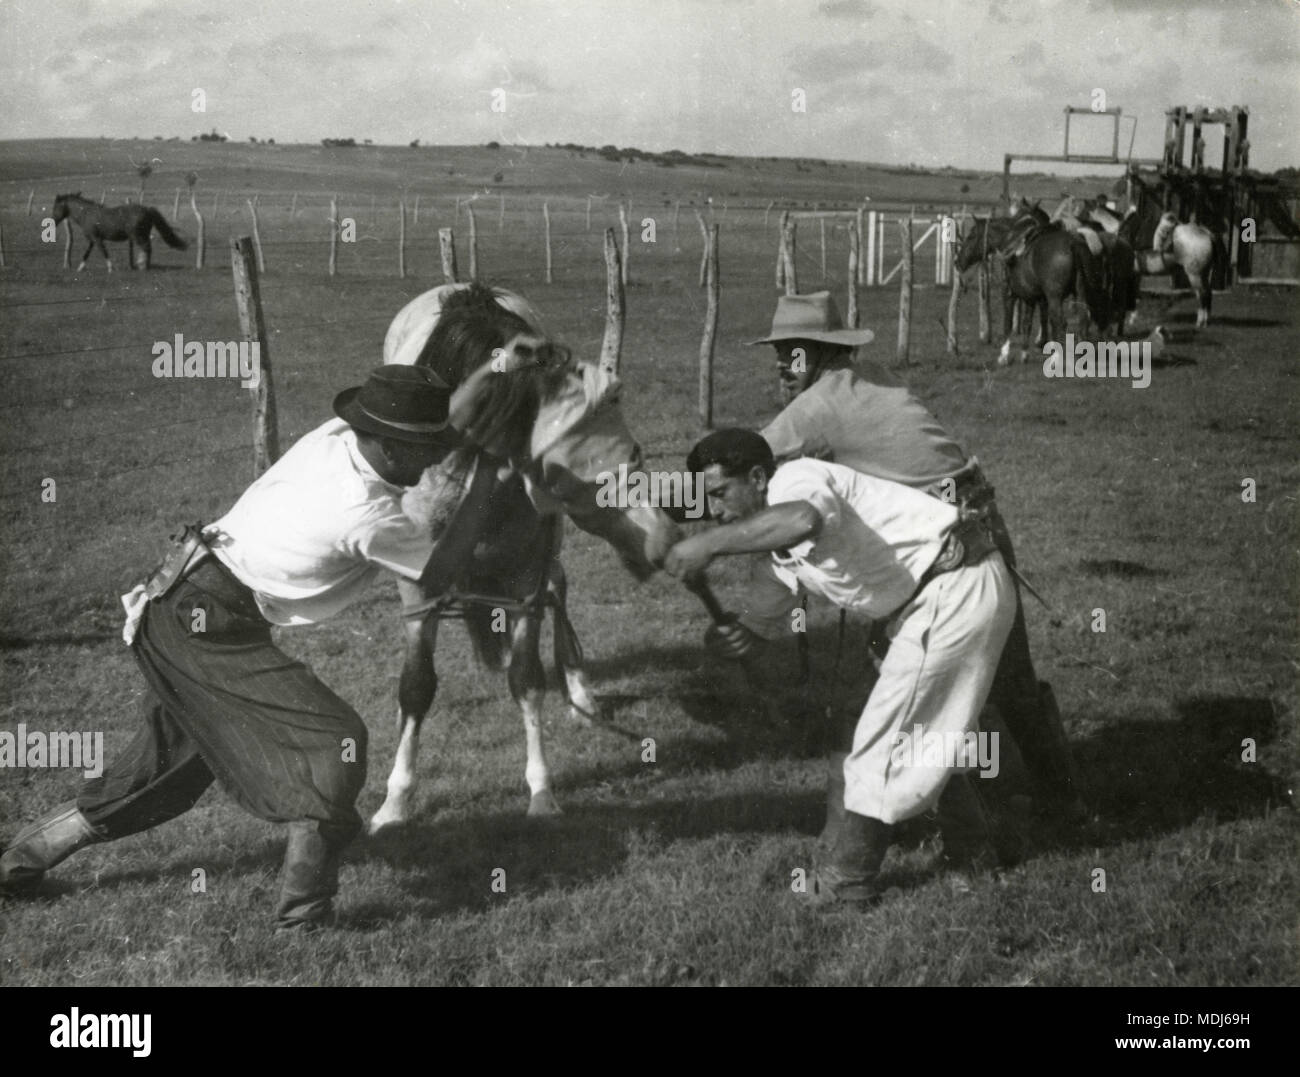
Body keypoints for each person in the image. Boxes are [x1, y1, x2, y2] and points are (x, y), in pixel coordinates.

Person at [0, 366, 488, 930]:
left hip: (183, 605)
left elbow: (421, 418)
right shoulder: (365, 515)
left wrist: (484, 395)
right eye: (424, 449)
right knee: (334, 742)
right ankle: (304, 919)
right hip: (204, 626)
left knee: (163, 773)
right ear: (384, 441)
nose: (432, 464)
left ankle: (16, 866)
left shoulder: (334, 437)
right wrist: (491, 477)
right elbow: (444, 569)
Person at [725, 291, 1084, 836]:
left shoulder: (818, 405)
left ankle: (927, 834)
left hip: (940, 555)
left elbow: (737, 466)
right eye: (779, 353)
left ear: (824, 353)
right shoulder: (874, 375)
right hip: (979, 524)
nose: (783, 365)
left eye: (795, 352)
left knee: (901, 690)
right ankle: (1059, 806)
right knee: (1008, 680)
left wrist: (664, 504)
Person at [665, 429, 1016, 904]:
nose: (716, 510)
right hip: (923, 605)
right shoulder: (770, 557)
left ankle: (846, 881)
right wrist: (732, 639)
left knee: (880, 742)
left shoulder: (796, 480)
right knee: (926, 735)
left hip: (955, 585)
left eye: (721, 493)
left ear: (756, 476)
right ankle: (974, 859)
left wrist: (708, 544)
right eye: (708, 501)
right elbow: (761, 642)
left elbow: (802, 519)